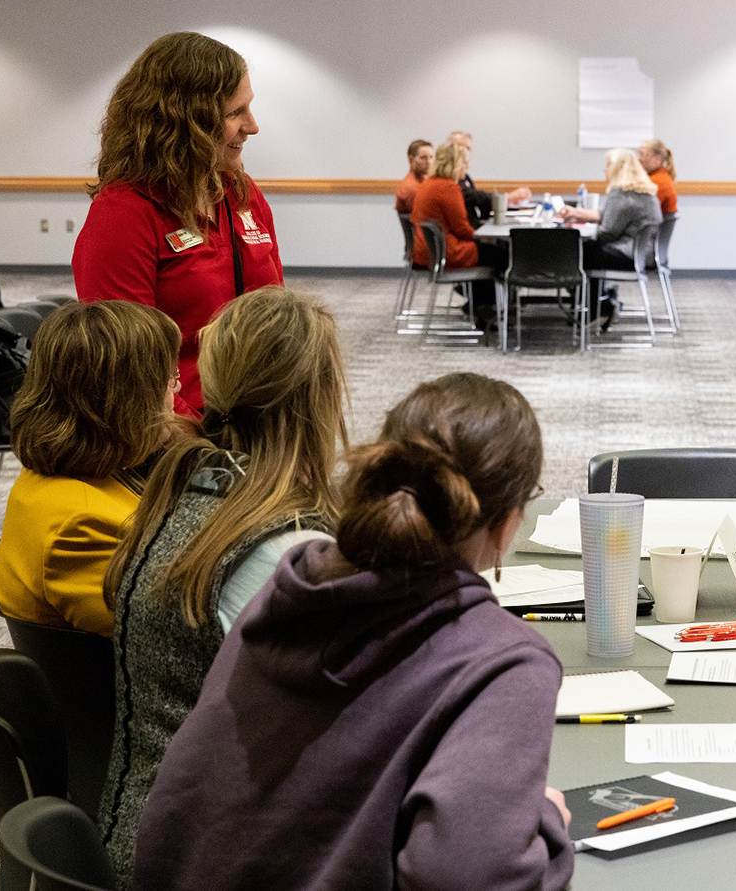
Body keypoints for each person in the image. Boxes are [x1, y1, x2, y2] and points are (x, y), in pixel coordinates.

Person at [132, 373, 574, 891]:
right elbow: (466, 877)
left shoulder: (286, 594)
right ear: (507, 523)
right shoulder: (501, 658)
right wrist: (546, 822)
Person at [98, 286, 347, 889]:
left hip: (147, 824)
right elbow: (352, 721)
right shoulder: (278, 552)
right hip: (212, 854)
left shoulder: (186, 488)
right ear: (318, 402)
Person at [73, 31, 283, 418]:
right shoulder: (124, 214)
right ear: (188, 122)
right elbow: (130, 368)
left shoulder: (241, 194)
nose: (252, 126)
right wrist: (200, 441)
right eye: (236, 113)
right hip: (176, 434)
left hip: (256, 417)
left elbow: (279, 318)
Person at [0, 300, 182, 638]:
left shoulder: (69, 473)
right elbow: (162, 641)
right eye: (168, 379)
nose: (176, 389)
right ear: (130, 401)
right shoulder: (81, 527)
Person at [558, 147, 662, 329]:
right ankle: (600, 303)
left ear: (617, 168)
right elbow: (606, 215)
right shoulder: (640, 191)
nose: (604, 170)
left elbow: (607, 233)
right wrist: (578, 213)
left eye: (607, 165)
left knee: (577, 254)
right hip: (642, 254)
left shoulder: (621, 193)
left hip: (630, 255)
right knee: (587, 252)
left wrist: (578, 231)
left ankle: (599, 309)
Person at [411, 138, 507, 328]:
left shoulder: (429, 184)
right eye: (465, 163)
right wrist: (482, 236)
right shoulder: (448, 188)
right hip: (447, 252)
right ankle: (486, 307)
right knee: (503, 256)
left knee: (490, 251)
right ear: (455, 165)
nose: (466, 168)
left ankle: (482, 305)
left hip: (430, 251)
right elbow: (462, 229)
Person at [447, 128, 530, 223]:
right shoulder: (449, 178)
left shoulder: (466, 177)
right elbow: (471, 196)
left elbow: (479, 204)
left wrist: (507, 204)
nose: (466, 153)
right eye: (462, 148)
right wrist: (505, 198)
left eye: (468, 149)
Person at [638, 138, 679, 215]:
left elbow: (641, 211)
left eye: (642, 154)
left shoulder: (656, 182)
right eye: (638, 154)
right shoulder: (661, 177)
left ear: (656, 159)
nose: (638, 158)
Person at [394, 138, 434, 216]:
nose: (429, 162)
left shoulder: (423, 182)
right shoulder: (411, 188)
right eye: (423, 158)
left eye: (431, 157)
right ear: (411, 159)